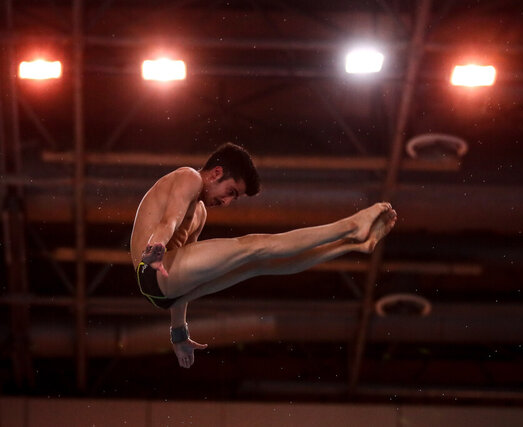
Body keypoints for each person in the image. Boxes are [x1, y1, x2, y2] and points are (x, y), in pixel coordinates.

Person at [130, 143, 397, 368]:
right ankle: (351, 224)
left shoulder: (199, 214)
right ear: (216, 173)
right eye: (231, 192)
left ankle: (350, 244)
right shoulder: (189, 177)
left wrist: (179, 333)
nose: (228, 202)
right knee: (253, 246)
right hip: (152, 265)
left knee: (257, 265)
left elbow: (186, 273)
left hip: (164, 291)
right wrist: (154, 251)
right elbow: (168, 222)